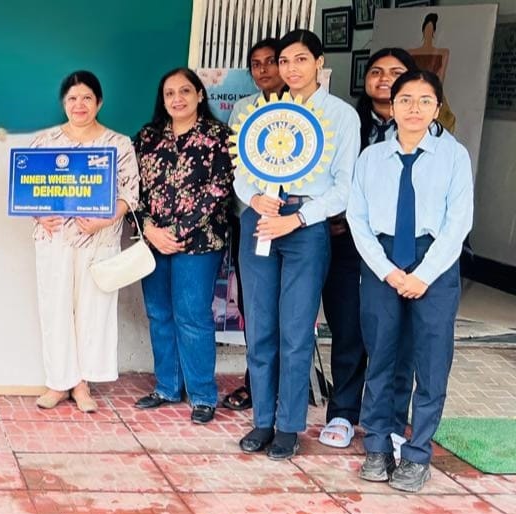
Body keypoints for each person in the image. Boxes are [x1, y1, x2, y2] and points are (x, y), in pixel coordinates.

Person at [235, 29, 359, 460]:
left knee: (295, 329)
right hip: (260, 220)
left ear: (319, 64)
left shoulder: (341, 116)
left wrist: (299, 218)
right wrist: (253, 198)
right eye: (284, 61)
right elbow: (241, 170)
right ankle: (262, 422)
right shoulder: (259, 111)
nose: (290, 68)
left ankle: (289, 426)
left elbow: (344, 187)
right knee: (261, 325)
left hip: (306, 225)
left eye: (300, 59)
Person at [348, 70, 472, 492]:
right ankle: (378, 445)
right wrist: (386, 270)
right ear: (392, 106)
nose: (413, 108)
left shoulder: (453, 157)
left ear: (437, 107)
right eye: (405, 100)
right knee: (381, 357)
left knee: (431, 361)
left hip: (433, 263)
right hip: (382, 261)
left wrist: (423, 275)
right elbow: (356, 219)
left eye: (423, 100)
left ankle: (418, 453)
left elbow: (458, 224)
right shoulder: (371, 158)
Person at [318, 48, 419, 450]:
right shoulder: (346, 123)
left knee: (396, 337)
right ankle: (343, 413)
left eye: (395, 72)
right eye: (376, 71)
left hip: (400, 250)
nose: (383, 78)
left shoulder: (425, 130)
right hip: (346, 243)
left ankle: (391, 420)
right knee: (348, 329)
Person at [31, 70, 141, 412]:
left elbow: (130, 194)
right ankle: (57, 382)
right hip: (54, 239)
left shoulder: (118, 144)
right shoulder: (45, 142)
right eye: (72, 99)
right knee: (55, 307)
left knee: (94, 310)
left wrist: (106, 218)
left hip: (100, 239)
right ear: (64, 103)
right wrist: (38, 213)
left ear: (99, 102)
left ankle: (82, 385)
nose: (79, 105)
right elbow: (29, 189)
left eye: (87, 98)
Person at [133, 68, 234, 424]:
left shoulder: (218, 136)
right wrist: (150, 228)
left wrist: (176, 232)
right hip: (153, 240)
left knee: (192, 316)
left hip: (200, 242)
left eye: (185, 91)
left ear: (199, 95)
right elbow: (132, 190)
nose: (177, 99)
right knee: (159, 313)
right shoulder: (146, 138)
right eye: (170, 93)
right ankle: (167, 387)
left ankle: (203, 395)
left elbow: (218, 191)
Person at [222, 37, 285, 412]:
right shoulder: (244, 111)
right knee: (254, 305)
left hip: (293, 222)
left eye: (271, 62)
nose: (264, 70)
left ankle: (286, 388)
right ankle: (255, 384)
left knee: (290, 308)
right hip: (249, 218)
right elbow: (236, 166)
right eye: (256, 64)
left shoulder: (304, 112)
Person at [407, 14, 457, 131]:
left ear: (434, 32)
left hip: (433, 92)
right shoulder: (411, 52)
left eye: (431, 30)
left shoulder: (443, 53)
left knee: (445, 120)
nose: (428, 33)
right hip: (413, 92)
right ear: (423, 31)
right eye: (426, 29)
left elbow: (440, 79)